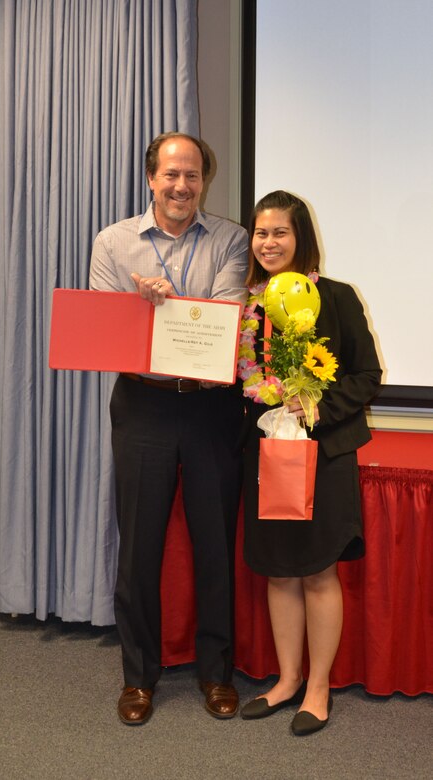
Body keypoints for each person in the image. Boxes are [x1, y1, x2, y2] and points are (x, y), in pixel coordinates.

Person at [89, 132, 248, 725]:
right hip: (143, 404)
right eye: (171, 175)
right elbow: (107, 331)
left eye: (193, 176)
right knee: (139, 548)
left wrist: (167, 304)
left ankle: (216, 673)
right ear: (151, 179)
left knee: (214, 545)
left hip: (210, 409)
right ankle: (138, 678)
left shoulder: (232, 240)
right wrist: (139, 309)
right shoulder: (113, 242)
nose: (182, 186)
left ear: (203, 181)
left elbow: (226, 319)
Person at [238, 191, 381, 735]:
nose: (268, 242)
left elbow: (367, 376)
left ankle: (318, 687)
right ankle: (287, 679)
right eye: (260, 232)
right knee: (279, 570)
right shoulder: (249, 306)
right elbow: (240, 383)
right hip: (267, 455)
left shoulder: (338, 297)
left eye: (279, 232)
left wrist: (317, 406)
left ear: (302, 239)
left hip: (325, 456)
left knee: (319, 572)